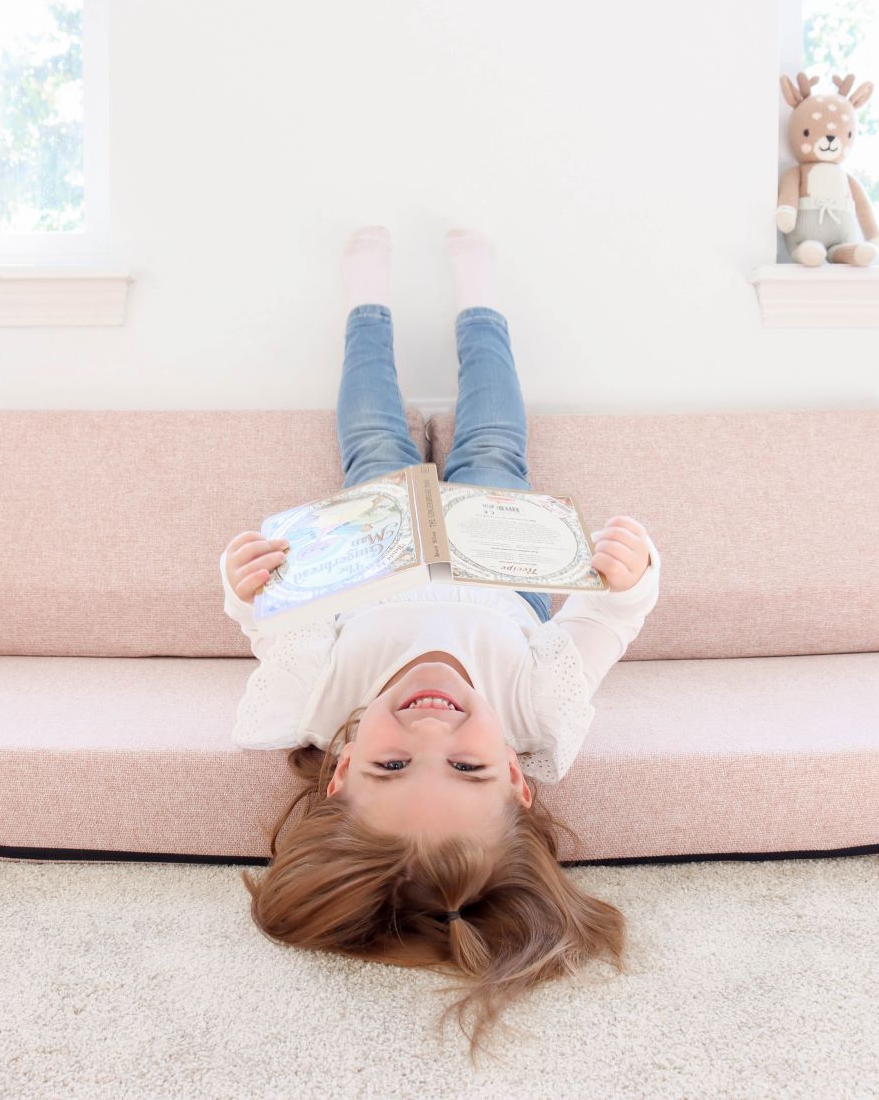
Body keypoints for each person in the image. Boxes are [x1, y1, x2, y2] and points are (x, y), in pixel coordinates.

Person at [219, 226, 662, 1061]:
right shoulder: (539, 705)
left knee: (375, 445)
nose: (431, 732)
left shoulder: (315, 698)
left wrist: (242, 582)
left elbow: (276, 617)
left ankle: (366, 305)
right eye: (467, 766)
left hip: (379, 549)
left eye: (392, 765)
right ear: (519, 780)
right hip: (503, 561)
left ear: (343, 769)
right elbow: (612, 617)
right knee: (493, 444)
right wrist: (631, 572)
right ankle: (480, 301)